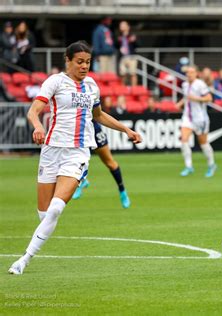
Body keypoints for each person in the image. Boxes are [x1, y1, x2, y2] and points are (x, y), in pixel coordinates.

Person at [8, 41, 142, 275]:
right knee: (44, 214)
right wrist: (37, 125)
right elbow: (33, 111)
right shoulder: (55, 82)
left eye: (88, 62)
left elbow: (99, 116)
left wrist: (126, 130)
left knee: (56, 209)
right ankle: (35, 245)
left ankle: (24, 260)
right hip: (51, 151)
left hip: (77, 152)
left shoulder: (91, 86)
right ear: (67, 60)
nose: (84, 66)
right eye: (79, 62)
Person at [72, 120, 132, 209]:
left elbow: (98, 113)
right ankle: (82, 181)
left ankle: (122, 191)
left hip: (93, 129)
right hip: (75, 129)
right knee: (74, 158)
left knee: (110, 162)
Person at [176, 65, 217, 178]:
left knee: (203, 144)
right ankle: (189, 166)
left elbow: (209, 98)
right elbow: (186, 97)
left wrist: (196, 99)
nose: (189, 74)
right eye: (188, 72)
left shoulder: (200, 84)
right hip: (187, 117)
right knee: (184, 140)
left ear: (196, 73)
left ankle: (211, 164)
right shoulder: (185, 85)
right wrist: (180, 104)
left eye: (191, 72)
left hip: (200, 118)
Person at [117, 20, 138, 86]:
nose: (122, 27)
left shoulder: (132, 35)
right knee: (123, 74)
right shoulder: (119, 37)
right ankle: (123, 90)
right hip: (122, 57)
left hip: (131, 57)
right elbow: (115, 46)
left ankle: (134, 90)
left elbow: (138, 45)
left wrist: (134, 41)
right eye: (121, 25)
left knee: (133, 73)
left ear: (128, 27)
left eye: (123, 25)